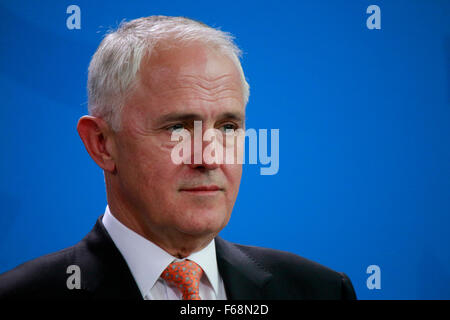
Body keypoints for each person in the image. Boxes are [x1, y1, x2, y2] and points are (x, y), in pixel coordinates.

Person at [0, 16, 356, 300]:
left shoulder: (320, 290)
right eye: (177, 128)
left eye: (229, 127)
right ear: (102, 144)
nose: (210, 156)